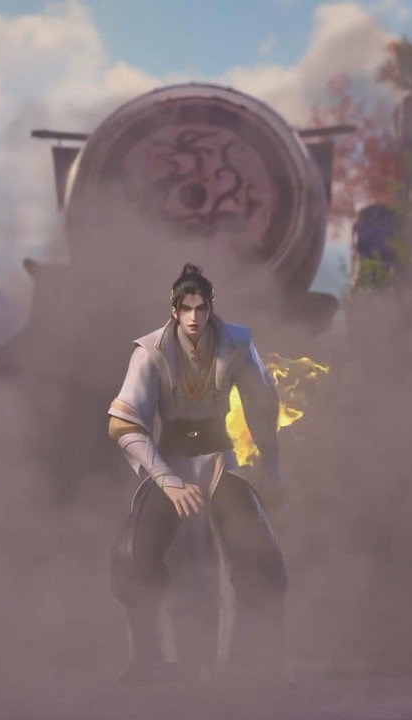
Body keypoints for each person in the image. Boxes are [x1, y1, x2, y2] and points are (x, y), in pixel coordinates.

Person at [107, 263, 287, 684]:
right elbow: (122, 424)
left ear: (210, 308)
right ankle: (147, 660)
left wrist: (272, 465)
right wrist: (169, 482)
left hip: (221, 461)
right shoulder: (150, 351)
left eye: (200, 308)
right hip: (169, 462)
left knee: (260, 555)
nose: (193, 317)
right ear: (174, 310)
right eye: (186, 309)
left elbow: (261, 404)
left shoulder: (237, 342)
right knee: (131, 555)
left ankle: (256, 660)